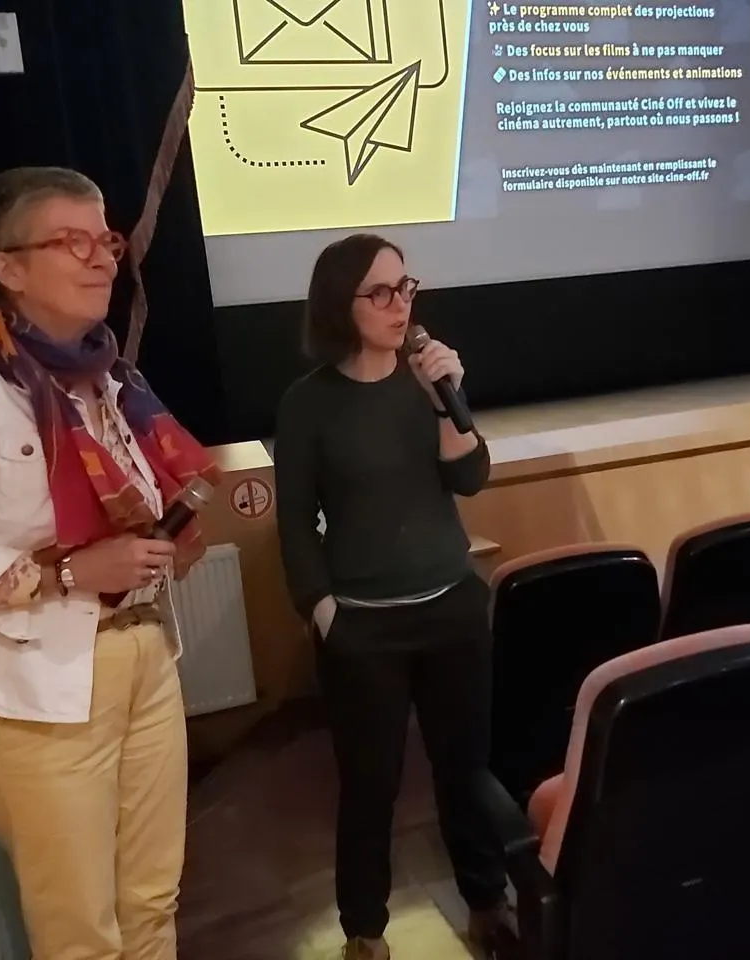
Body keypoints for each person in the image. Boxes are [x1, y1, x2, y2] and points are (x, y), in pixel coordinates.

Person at [0, 166, 220, 960]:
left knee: (152, 904)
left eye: (107, 240)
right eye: (73, 242)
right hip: (35, 694)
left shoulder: (112, 381)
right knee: (81, 936)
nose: (102, 259)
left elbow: (126, 509)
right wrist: (67, 574)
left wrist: (161, 546)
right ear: (9, 266)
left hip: (145, 660)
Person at [274, 234, 512, 960]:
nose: (399, 304)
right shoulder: (309, 403)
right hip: (364, 628)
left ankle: (487, 902)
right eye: (379, 292)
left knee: (465, 771)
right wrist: (324, 613)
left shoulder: (428, 381)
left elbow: (471, 477)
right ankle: (365, 930)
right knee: (369, 786)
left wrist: (445, 401)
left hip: (451, 608)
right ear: (339, 305)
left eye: (405, 287)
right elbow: (294, 525)